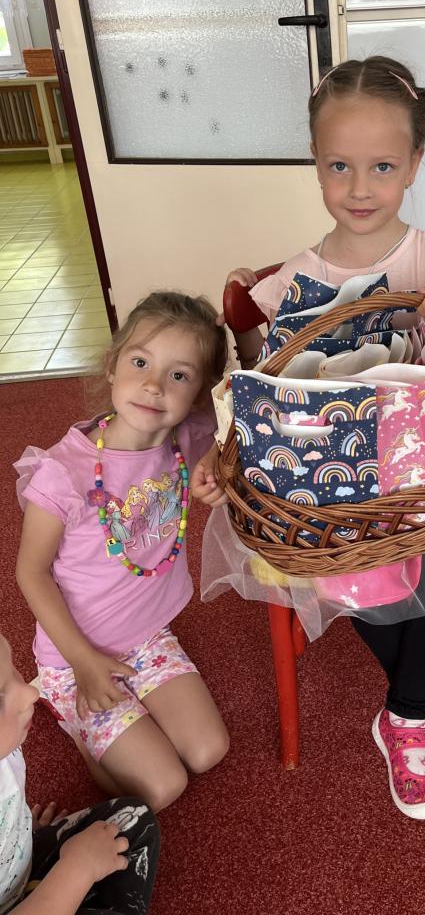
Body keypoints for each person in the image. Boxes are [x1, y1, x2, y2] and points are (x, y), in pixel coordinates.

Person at [196, 56, 425, 822]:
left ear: (415, 164)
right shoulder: (289, 284)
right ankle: (414, 708)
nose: (360, 188)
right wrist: (227, 442)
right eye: (339, 166)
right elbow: (255, 397)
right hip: (341, 491)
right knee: (349, 564)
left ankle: (406, 711)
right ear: (315, 163)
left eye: (383, 166)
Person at [14, 292, 230, 813]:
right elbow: (31, 573)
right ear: (112, 366)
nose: (155, 385)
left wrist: (218, 465)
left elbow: (233, 420)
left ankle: (118, 721)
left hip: (148, 637)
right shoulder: (62, 474)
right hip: (74, 655)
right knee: (161, 787)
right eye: (140, 363)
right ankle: (69, 712)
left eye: (179, 375)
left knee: (208, 751)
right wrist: (83, 662)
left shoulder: (187, 436)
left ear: (198, 392)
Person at [0, 631, 160, 914]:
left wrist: (19, 832)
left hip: (20, 866)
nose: (30, 693)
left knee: (133, 816)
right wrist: (79, 869)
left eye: (12, 670)